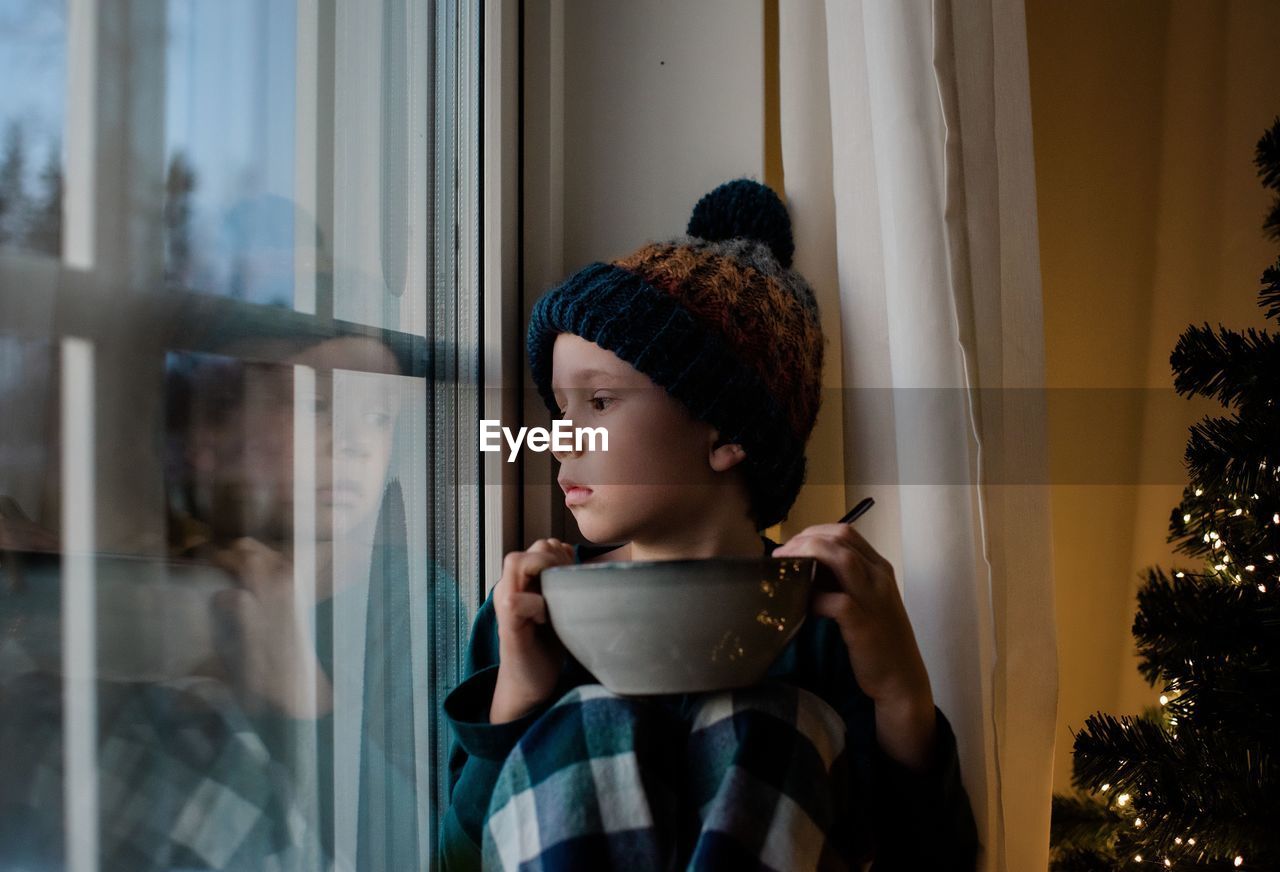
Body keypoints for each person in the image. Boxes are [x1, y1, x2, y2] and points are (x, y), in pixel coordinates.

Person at [439, 178, 981, 870]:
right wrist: (517, 694)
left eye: (599, 402)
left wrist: (902, 691)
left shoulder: (824, 617)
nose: (561, 439)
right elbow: (456, 859)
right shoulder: (527, 611)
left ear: (725, 431)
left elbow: (932, 861)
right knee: (587, 722)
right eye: (559, 411)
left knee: (771, 726)